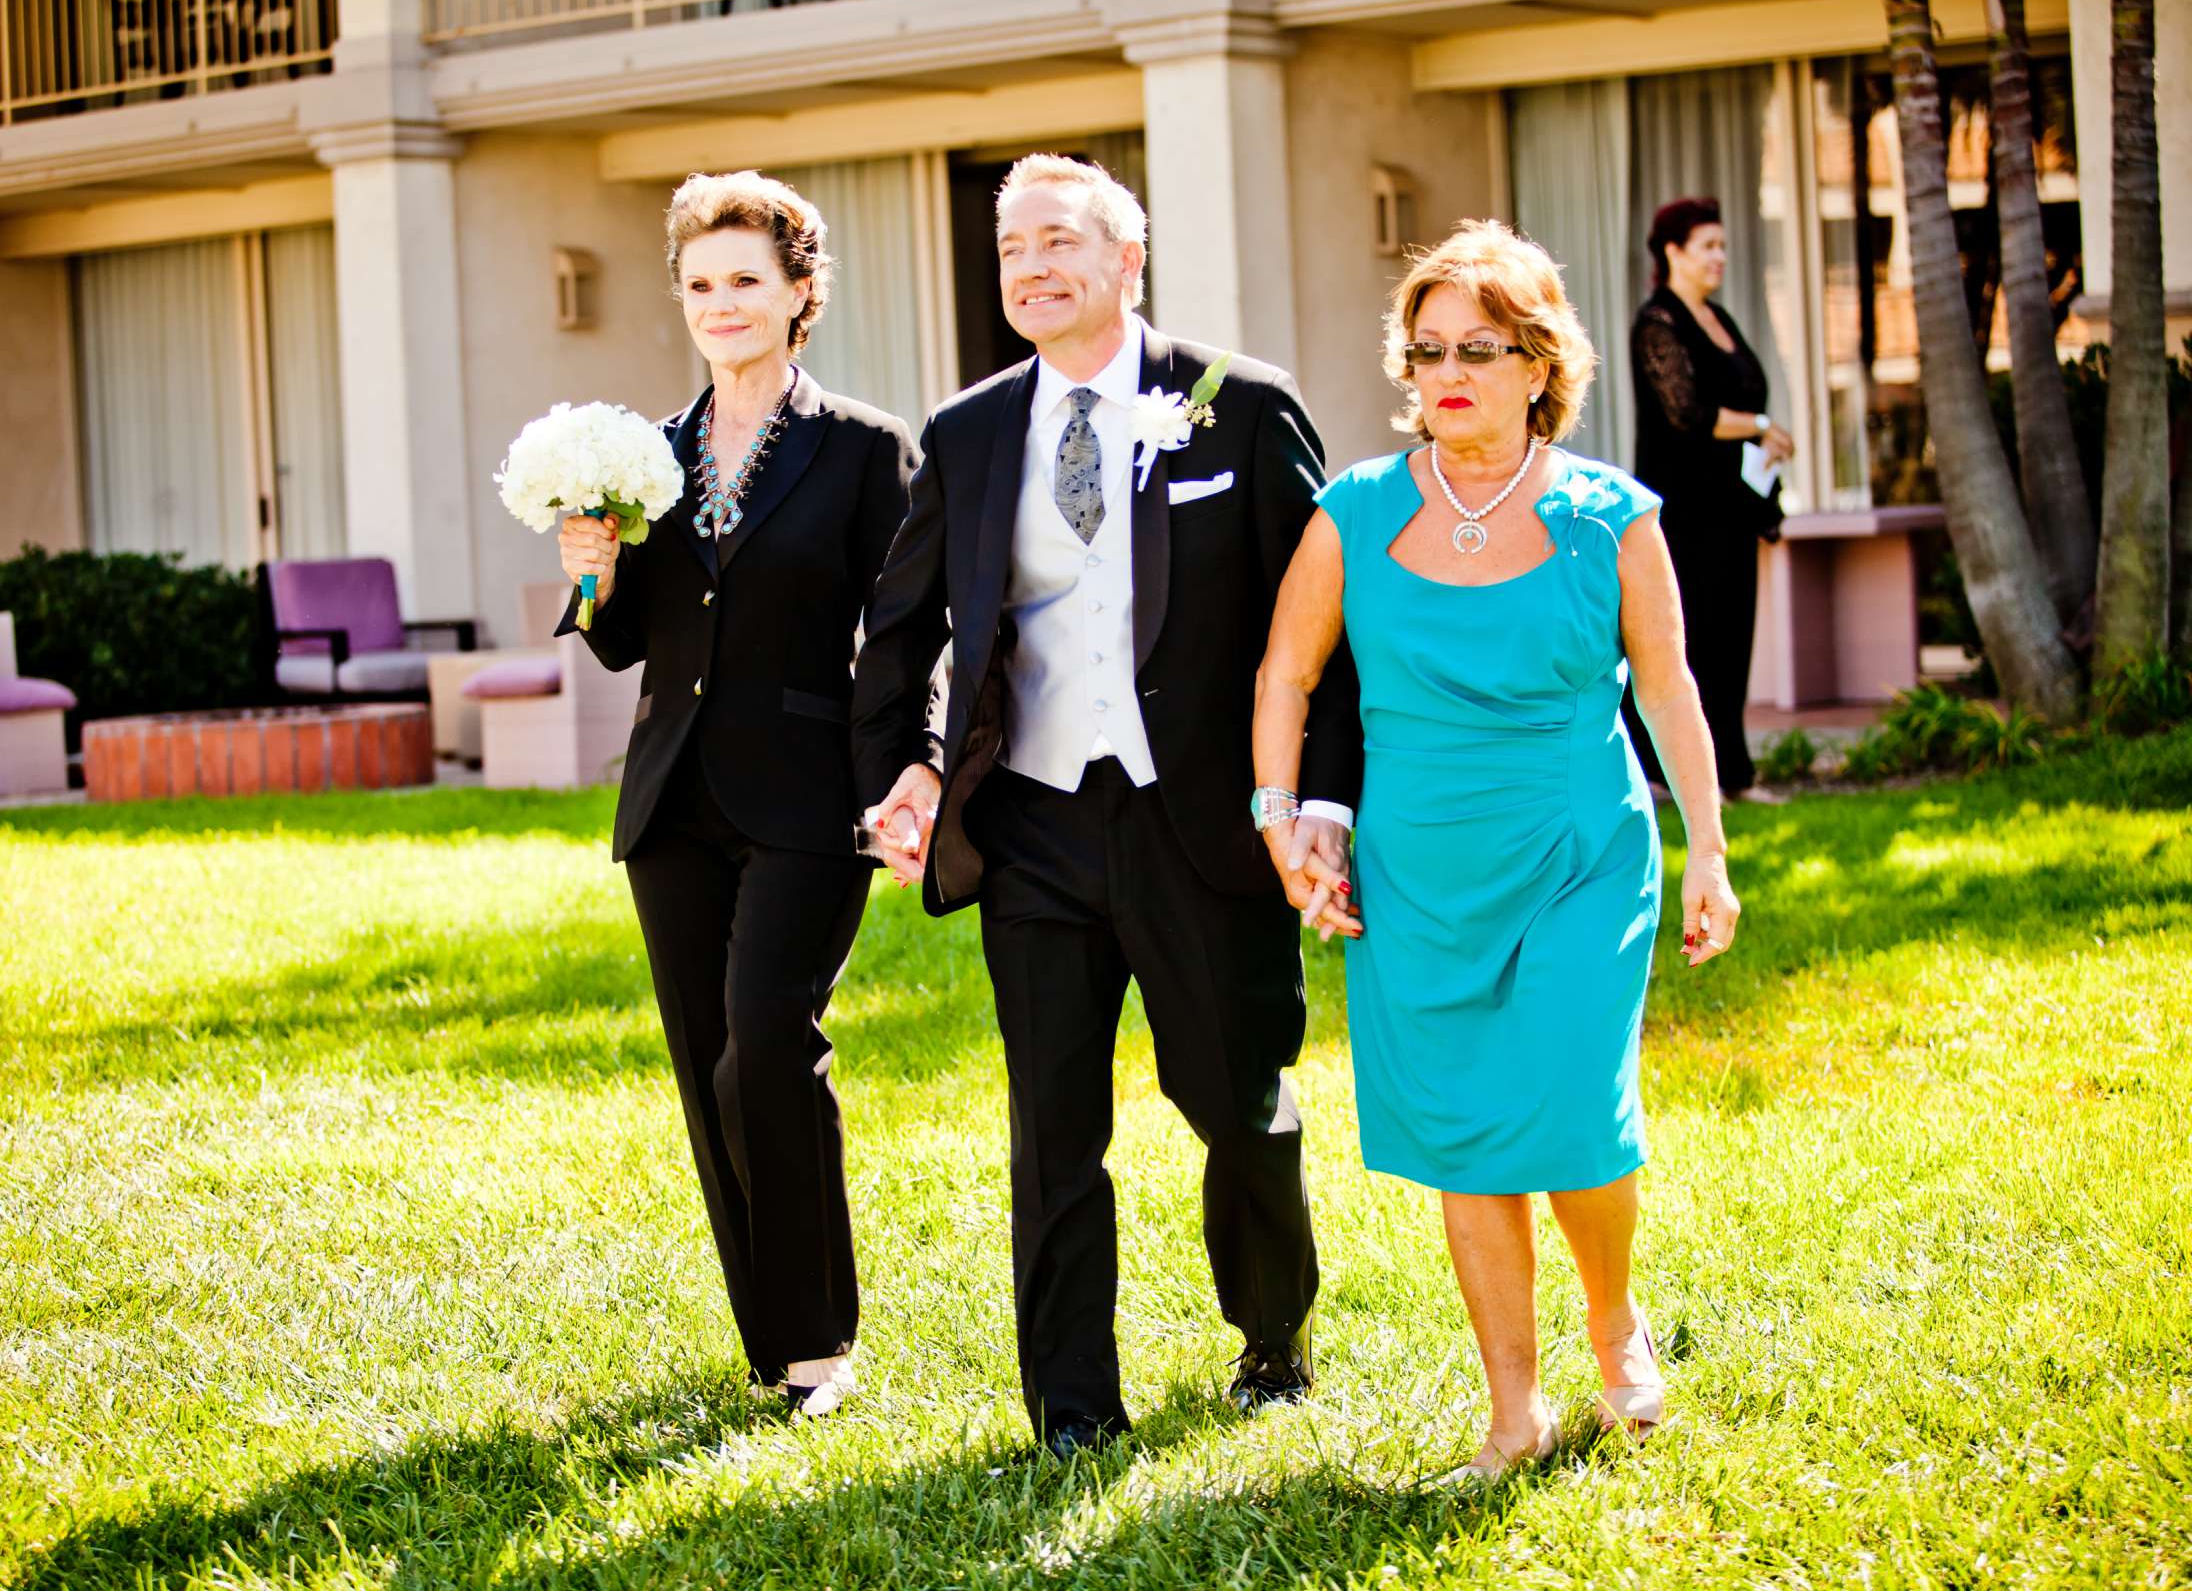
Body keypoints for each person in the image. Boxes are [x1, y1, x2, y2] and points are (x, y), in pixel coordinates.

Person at [852, 154, 1364, 1458]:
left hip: (1201, 821)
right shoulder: (968, 433)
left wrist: (1318, 801)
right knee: (1053, 1130)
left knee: (1236, 1099)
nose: (1031, 267)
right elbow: (900, 631)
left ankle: (1272, 1336)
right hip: (1033, 826)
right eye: (1012, 248)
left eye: (1059, 241)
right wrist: (906, 766)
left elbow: (1322, 634)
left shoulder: (1239, 408)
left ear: (1127, 260)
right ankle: (1073, 1406)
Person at [1253, 221, 1743, 1482]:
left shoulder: (1609, 516)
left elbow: (1675, 691)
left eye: (1480, 347)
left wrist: (1708, 850)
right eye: (1427, 351)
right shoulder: (1353, 511)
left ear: (1539, 364)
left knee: (1573, 1103)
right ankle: (1513, 1410)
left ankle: (1614, 1313)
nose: (1448, 372)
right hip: (1420, 875)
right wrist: (1281, 818)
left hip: (1582, 849)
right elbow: (1286, 675)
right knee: (1467, 1129)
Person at [557, 171, 918, 1417]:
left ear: (799, 292)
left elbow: (908, 628)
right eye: (700, 284)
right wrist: (591, 571)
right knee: (705, 1059)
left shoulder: (866, 447)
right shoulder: (643, 456)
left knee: (767, 1043)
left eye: (745, 282)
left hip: (813, 796)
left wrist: (908, 773)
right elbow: (618, 643)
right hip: (672, 800)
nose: (720, 305)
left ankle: (824, 1341)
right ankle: (772, 1345)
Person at [1627, 196, 1794, 799]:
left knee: (1731, 639)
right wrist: (1756, 425)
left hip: (1731, 508)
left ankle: (1734, 775)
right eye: (1708, 246)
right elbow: (1686, 413)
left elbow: (1745, 397)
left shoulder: (1720, 318)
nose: (1720, 257)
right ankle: (1665, 775)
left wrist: (1763, 432)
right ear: (1673, 252)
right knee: (1686, 641)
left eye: (1723, 246)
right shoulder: (1658, 322)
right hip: (1684, 514)